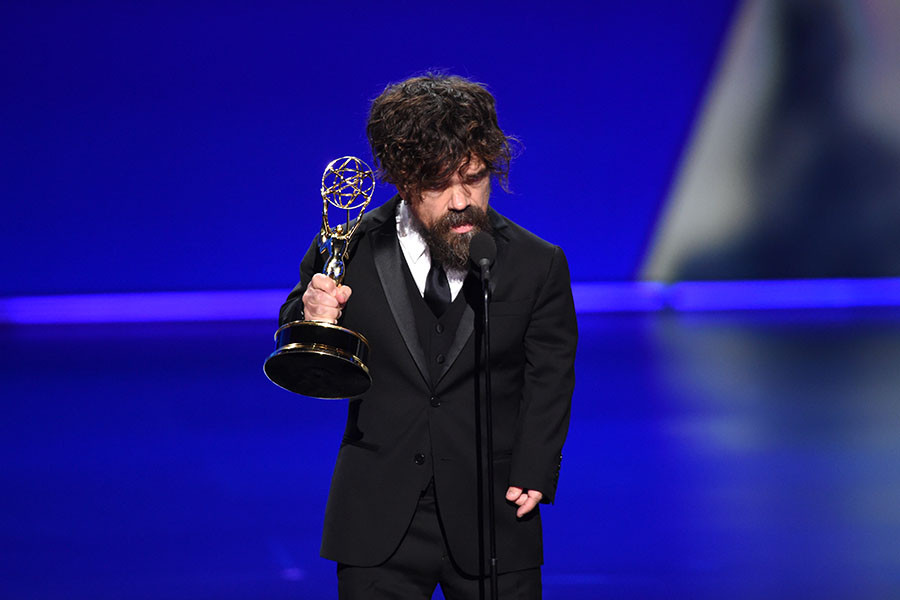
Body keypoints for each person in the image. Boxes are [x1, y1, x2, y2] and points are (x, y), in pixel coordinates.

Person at [279, 74, 577, 599]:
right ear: (402, 179)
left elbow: (549, 374)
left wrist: (535, 469)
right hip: (377, 515)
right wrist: (315, 315)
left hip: (493, 514)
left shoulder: (537, 263)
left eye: (475, 178)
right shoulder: (349, 248)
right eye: (439, 184)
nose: (461, 200)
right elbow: (295, 336)